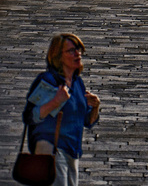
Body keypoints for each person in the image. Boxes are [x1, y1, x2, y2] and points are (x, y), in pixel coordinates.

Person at [24, 32, 101, 186]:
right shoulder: (49, 81)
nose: (77, 54)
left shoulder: (77, 83)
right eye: (71, 51)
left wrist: (95, 107)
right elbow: (30, 116)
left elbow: (86, 121)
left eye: (78, 49)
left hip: (72, 150)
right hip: (51, 148)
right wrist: (55, 102)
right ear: (58, 56)